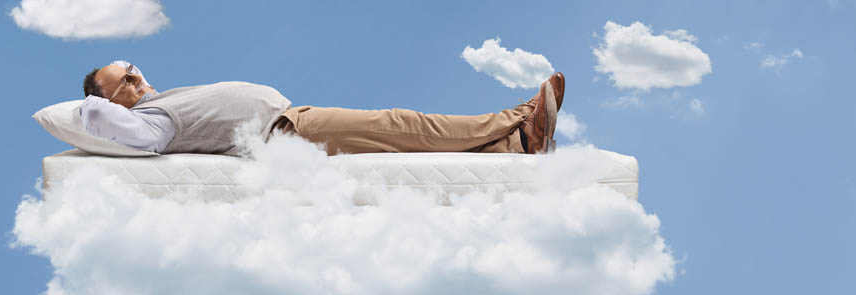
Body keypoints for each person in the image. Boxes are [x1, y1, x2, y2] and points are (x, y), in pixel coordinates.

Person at [80, 60, 564, 156]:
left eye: (134, 68)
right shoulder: (148, 121)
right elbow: (121, 131)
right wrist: (89, 105)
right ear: (106, 98)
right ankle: (518, 118)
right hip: (286, 131)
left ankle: (518, 142)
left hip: (293, 118)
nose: (136, 77)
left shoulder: (159, 101)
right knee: (404, 124)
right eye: (122, 80)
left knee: (403, 135)